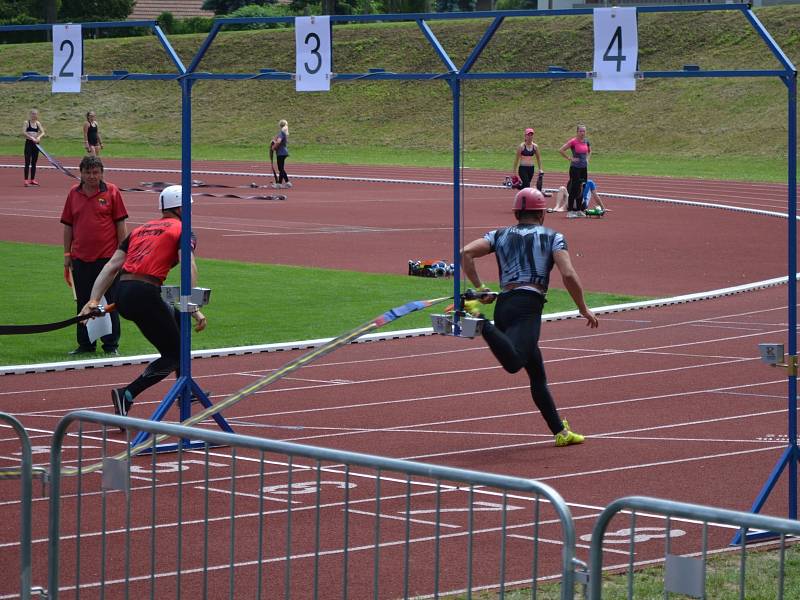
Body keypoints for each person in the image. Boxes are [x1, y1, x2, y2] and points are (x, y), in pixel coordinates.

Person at [460, 187, 598, 447]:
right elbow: (568, 274)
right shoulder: (553, 237)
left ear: (516, 212)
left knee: (537, 374)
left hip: (505, 305)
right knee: (514, 363)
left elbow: (466, 252)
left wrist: (480, 289)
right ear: (542, 214)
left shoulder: (499, 235)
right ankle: (477, 320)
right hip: (528, 308)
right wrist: (582, 307)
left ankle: (560, 431)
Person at [79, 185, 207, 418]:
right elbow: (188, 265)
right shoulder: (183, 229)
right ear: (180, 208)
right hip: (144, 293)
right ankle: (127, 393)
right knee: (175, 354)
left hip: (124, 292)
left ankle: (184, 392)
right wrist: (193, 304)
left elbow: (112, 266)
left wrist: (93, 298)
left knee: (178, 326)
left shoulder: (140, 230)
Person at [61, 156, 128, 355]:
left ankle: (111, 345)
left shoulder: (112, 192)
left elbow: (120, 225)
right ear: (81, 173)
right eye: (88, 172)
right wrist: (67, 253)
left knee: (108, 302)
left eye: (96, 172)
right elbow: (68, 225)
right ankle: (86, 344)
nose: (92, 176)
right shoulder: (73, 193)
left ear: (102, 173)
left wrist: (122, 253)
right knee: (83, 302)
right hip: (80, 257)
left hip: (107, 258)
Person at [558, 124, 591, 218]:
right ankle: (570, 211)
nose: (582, 133)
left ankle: (579, 210)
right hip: (575, 168)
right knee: (574, 189)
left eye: (584, 131)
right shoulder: (573, 141)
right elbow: (561, 150)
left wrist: (587, 159)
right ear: (577, 132)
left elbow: (589, 151)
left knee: (582, 188)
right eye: (580, 131)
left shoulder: (586, 141)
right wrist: (570, 158)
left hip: (583, 169)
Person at [22, 109, 45, 187]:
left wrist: (38, 137)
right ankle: (26, 180)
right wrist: (31, 138)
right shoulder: (26, 123)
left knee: (34, 162)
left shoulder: (37, 123)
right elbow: (23, 132)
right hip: (29, 143)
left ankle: (32, 179)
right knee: (27, 162)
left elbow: (43, 132)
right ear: (30, 114)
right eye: (32, 114)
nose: (34, 115)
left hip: (36, 144)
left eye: (35, 114)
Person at [271, 119, 291, 189]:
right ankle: (287, 182)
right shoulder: (284, 133)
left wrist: (273, 147)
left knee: (280, 168)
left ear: (280, 125)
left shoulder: (281, 133)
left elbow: (279, 142)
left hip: (281, 153)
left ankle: (279, 184)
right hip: (283, 152)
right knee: (281, 168)